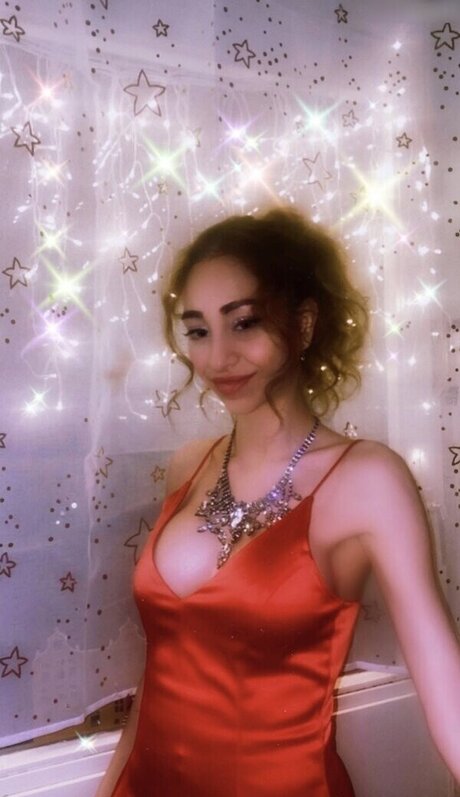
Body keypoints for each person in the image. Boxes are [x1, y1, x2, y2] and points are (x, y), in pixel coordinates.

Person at [96, 208, 460, 797]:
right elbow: (160, 669)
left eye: (244, 323)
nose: (217, 358)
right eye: (198, 331)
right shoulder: (190, 465)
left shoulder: (367, 480)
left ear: (304, 324)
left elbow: (446, 684)